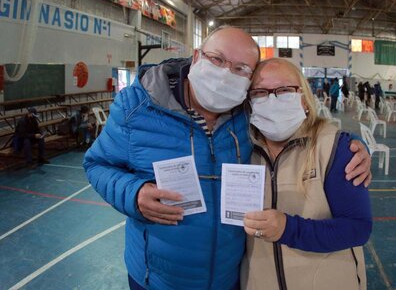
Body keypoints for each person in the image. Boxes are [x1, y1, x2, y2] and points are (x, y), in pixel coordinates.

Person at [83, 26, 372, 290]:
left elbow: (299, 128)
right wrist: (133, 194)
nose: (224, 74)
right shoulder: (137, 107)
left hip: (230, 278)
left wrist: (353, 145)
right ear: (196, 57)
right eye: (217, 59)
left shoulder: (249, 116)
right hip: (157, 278)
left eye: (240, 68)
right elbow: (98, 164)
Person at [242, 58, 371, 290]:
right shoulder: (240, 149)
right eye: (260, 92)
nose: (271, 99)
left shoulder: (335, 147)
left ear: (304, 99)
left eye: (283, 90)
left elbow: (358, 228)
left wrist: (288, 229)